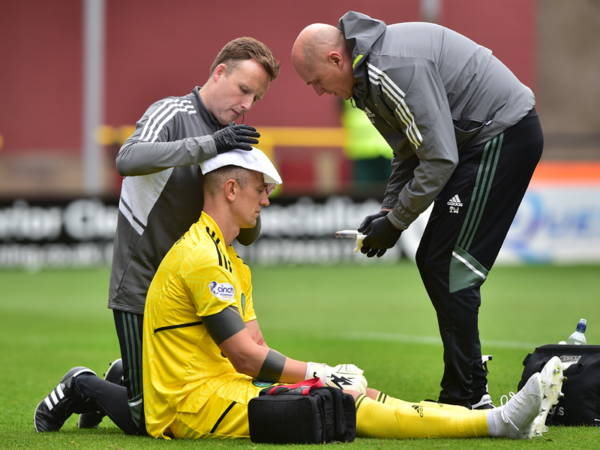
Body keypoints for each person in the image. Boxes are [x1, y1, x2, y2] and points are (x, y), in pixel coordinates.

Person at [33, 148, 563, 441]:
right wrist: (319, 373)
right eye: (260, 189)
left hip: (214, 388)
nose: (267, 199)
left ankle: (493, 422)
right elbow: (244, 355)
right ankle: (493, 424)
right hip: (193, 405)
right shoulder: (200, 255)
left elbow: (252, 344)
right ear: (230, 189)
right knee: (337, 408)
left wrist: (316, 372)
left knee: (345, 398)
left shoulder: (229, 257)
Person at [291, 11, 544, 409]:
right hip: (473, 145)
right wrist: (387, 210)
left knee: (449, 264)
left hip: (502, 136)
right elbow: (408, 151)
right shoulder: (366, 78)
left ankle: (468, 394)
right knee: (435, 259)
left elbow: (439, 159)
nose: (320, 93)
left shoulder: (389, 68)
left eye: (317, 83)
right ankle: (465, 390)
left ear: (336, 60)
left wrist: (394, 223)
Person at [34, 37, 280, 435]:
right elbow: (128, 158)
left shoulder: (235, 137)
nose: (247, 104)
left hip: (196, 289)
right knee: (146, 418)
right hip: (142, 281)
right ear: (219, 72)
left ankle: (124, 374)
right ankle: (80, 384)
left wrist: (256, 190)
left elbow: (248, 236)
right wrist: (209, 146)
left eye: (256, 97)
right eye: (244, 90)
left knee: (198, 389)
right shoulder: (172, 112)